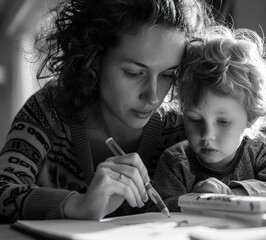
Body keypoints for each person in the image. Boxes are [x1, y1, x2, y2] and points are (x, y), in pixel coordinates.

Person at [0, 0, 215, 221]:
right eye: (133, 73)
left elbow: (251, 171)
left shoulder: (186, 125)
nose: (153, 96)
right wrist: (77, 204)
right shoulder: (48, 109)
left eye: (168, 75)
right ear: (94, 59)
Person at [150, 25, 266, 212]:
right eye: (195, 120)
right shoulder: (175, 162)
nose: (207, 135)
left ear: (251, 117)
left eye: (222, 122)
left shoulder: (260, 152)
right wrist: (196, 199)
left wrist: (233, 194)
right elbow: (159, 209)